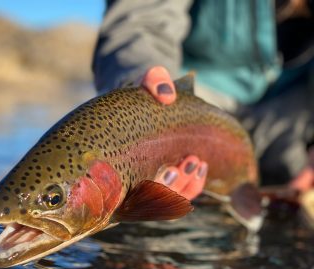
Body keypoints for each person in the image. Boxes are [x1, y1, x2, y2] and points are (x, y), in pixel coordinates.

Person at [92, 0, 314, 200]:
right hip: (186, 101)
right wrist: (138, 85)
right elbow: (139, 21)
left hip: (295, 113)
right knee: (152, 199)